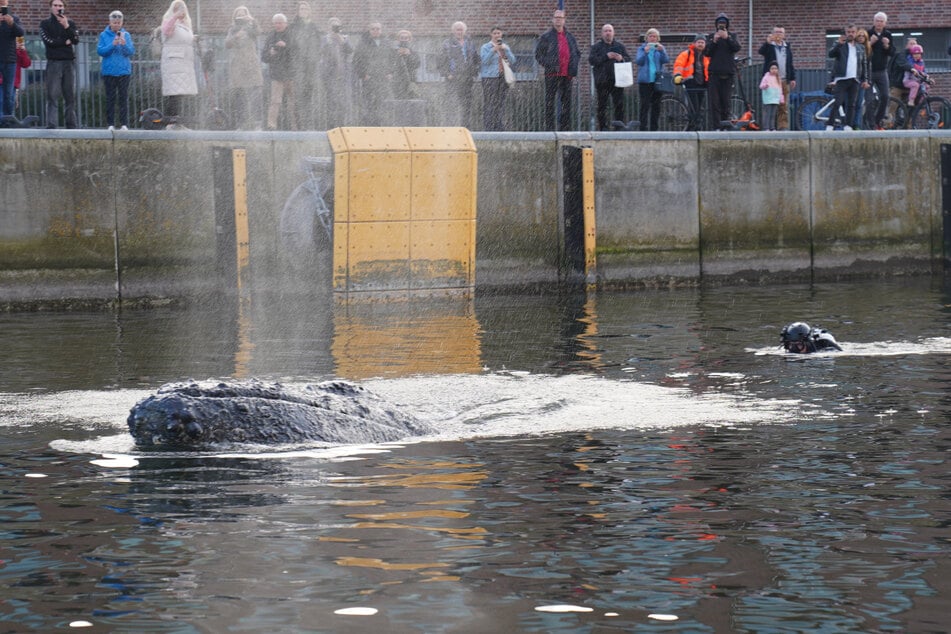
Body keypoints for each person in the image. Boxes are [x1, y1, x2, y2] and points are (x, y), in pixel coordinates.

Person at [534, 9, 581, 131]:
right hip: (552, 75)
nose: (558, 20)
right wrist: (550, 65)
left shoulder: (570, 37)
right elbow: (539, 55)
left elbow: (577, 53)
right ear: (552, 20)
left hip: (567, 76)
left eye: (560, 17)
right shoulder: (546, 37)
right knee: (550, 103)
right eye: (556, 17)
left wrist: (573, 68)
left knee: (567, 103)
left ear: (564, 20)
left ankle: (565, 129)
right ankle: (549, 129)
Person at [159, 0, 198, 128]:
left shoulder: (186, 25)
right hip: (174, 63)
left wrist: (195, 38)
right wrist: (175, 16)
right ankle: (171, 122)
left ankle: (180, 122)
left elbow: (186, 40)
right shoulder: (169, 21)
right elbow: (166, 31)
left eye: (182, 8)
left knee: (183, 94)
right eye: (177, 8)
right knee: (174, 94)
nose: (181, 10)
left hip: (185, 63)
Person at [40, 0, 78, 128]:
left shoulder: (70, 23)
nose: (58, 8)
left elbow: (75, 40)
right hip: (54, 62)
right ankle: (51, 124)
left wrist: (66, 26)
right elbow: (49, 42)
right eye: (55, 5)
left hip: (68, 62)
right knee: (52, 95)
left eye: (60, 5)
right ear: (51, 8)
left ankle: (71, 124)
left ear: (64, 8)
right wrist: (65, 41)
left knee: (69, 95)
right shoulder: (45, 24)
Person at [224, 6, 263, 130]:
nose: (241, 17)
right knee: (239, 95)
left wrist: (252, 20)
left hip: (251, 63)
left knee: (255, 93)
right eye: (238, 15)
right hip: (238, 66)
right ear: (234, 17)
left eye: (243, 14)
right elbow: (227, 44)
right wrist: (236, 36)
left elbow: (258, 32)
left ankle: (257, 123)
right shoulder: (232, 29)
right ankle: (241, 124)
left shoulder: (251, 27)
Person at [589, 24, 631, 131]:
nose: (608, 33)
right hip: (602, 81)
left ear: (613, 33)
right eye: (606, 31)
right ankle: (603, 127)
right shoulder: (596, 47)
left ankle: (619, 127)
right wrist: (606, 57)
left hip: (617, 81)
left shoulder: (619, 46)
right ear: (602, 33)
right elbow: (592, 60)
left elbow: (628, 59)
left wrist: (621, 58)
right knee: (602, 105)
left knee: (619, 105)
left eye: (610, 31)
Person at [97, 10, 134, 131]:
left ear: (122, 22)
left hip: (124, 72)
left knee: (123, 98)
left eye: (119, 22)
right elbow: (101, 51)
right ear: (110, 22)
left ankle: (124, 124)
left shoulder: (126, 35)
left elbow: (131, 52)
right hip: (109, 72)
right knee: (110, 98)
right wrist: (112, 44)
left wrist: (124, 44)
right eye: (115, 22)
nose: (117, 24)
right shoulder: (103, 35)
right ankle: (110, 124)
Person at [825, 25, 868, 132]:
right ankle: (830, 125)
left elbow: (864, 64)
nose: (850, 34)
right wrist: (839, 44)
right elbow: (831, 54)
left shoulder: (860, 47)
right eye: (848, 32)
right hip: (841, 78)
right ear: (845, 32)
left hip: (855, 79)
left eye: (853, 32)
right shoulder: (840, 45)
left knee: (852, 104)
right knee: (837, 102)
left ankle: (848, 125)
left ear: (856, 32)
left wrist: (865, 79)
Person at [705, 13, 741, 130]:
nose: (721, 25)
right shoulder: (711, 37)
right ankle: (716, 127)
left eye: (724, 23)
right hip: (714, 74)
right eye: (720, 23)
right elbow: (707, 52)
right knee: (714, 103)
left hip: (728, 73)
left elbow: (736, 48)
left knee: (726, 102)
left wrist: (727, 38)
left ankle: (725, 126)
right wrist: (714, 41)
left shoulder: (732, 36)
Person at [439, 21, 479, 127]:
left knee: (466, 104)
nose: (459, 32)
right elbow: (440, 61)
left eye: (461, 29)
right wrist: (447, 74)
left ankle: (465, 128)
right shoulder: (447, 43)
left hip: (467, 79)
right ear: (453, 31)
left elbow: (475, 58)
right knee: (451, 104)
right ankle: (451, 127)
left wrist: (475, 71)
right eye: (457, 29)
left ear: (465, 31)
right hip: (453, 79)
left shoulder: (470, 43)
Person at [352, 21, 392, 126]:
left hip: (383, 78)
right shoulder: (363, 43)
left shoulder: (386, 42)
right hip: (369, 78)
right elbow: (356, 60)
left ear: (381, 30)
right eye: (373, 29)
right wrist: (363, 74)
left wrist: (390, 72)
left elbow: (393, 59)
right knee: (369, 102)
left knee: (382, 102)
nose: (375, 31)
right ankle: (369, 125)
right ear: (369, 31)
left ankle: (381, 124)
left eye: (378, 29)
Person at [289, 2, 321, 130]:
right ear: (298, 11)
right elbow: (291, 45)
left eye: (306, 8)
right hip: (299, 65)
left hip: (311, 65)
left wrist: (315, 57)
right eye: (301, 8)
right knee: (298, 95)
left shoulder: (314, 27)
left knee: (309, 95)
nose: (303, 11)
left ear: (309, 11)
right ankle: (299, 124)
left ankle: (309, 124)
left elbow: (318, 45)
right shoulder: (294, 26)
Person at [757, 26, 796, 130]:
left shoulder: (787, 47)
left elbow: (790, 63)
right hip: (771, 82)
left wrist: (792, 78)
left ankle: (782, 127)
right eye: (776, 32)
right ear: (773, 34)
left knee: (783, 106)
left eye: (781, 32)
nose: (778, 34)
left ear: (784, 35)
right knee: (770, 104)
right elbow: (761, 52)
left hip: (783, 79)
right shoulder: (770, 46)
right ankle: (768, 127)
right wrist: (767, 42)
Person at [262, 13, 294, 131]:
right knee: (275, 101)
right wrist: (270, 53)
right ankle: (271, 126)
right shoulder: (270, 37)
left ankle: (295, 125)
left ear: (285, 23)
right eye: (275, 23)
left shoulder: (292, 35)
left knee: (293, 101)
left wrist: (286, 46)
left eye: (280, 22)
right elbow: (263, 57)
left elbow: (297, 53)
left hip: (291, 74)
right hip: (276, 74)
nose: (278, 25)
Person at [479, 26, 515, 131]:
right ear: (491, 35)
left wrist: (506, 50)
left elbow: (512, 60)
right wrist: (493, 50)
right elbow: (484, 61)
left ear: (501, 34)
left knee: (500, 103)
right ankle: (489, 127)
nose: (497, 35)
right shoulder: (485, 47)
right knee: (490, 103)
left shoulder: (505, 46)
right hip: (490, 78)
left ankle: (499, 126)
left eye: (498, 33)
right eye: (494, 33)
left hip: (502, 78)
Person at [634, 28, 668, 132]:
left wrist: (662, 51)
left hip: (657, 80)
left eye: (655, 37)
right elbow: (638, 61)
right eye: (651, 36)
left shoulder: (660, 48)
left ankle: (654, 128)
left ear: (657, 38)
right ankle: (643, 128)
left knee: (656, 105)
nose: (652, 38)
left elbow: (666, 60)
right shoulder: (642, 48)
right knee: (645, 105)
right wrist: (645, 52)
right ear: (647, 38)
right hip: (645, 81)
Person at [673, 34, 708, 130]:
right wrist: (678, 75)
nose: (700, 44)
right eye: (699, 42)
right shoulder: (686, 54)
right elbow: (679, 65)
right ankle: (694, 126)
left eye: (702, 42)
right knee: (694, 105)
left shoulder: (707, 56)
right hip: (690, 82)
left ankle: (694, 125)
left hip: (703, 83)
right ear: (694, 43)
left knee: (699, 105)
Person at [321, 17, 351, 128]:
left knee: (343, 100)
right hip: (330, 74)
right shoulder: (325, 38)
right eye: (333, 26)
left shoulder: (345, 38)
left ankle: (342, 124)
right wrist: (329, 40)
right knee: (331, 100)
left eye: (337, 26)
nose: (335, 29)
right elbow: (321, 52)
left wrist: (341, 40)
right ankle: (331, 125)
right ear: (329, 27)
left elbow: (350, 51)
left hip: (343, 74)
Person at [865, 12, 893, 130]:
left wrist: (887, 46)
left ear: (885, 23)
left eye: (882, 21)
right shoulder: (867, 33)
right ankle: (871, 125)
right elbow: (861, 52)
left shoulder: (888, 34)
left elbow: (892, 53)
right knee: (869, 100)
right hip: (869, 71)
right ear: (874, 22)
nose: (879, 23)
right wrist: (870, 43)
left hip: (882, 71)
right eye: (877, 20)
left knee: (885, 96)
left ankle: (877, 121)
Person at [0, 0, 24, 119]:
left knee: (9, 93)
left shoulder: (14, 18)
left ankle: (8, 119)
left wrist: (11, 23)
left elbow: (20, 33)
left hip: (10, 60)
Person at [391, 29, 420, 99]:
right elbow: (390, 64)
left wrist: (409, 55)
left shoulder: (413, 51)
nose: (404, 40)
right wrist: (398, 55)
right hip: (397, 81)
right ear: (398, 39)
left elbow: (417, 64)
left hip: (411, 80)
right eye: (402, 38)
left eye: (406, 38)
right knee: (398, 100)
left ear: (409, 39)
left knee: (412, 100)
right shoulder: (393, 51)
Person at [759, 61, 783, 131]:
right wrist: (765, 86)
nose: (774, 70)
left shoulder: (778, 78)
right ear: (769, 69)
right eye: (772, 68)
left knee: (773, 114)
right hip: (768, 98)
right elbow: (761, 86)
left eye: (775, 68)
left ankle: (772, 127)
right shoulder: (766, 77)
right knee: (768, 113)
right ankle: (766, 127)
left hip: (775, 99)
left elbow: (780, 89)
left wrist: (781, 98)